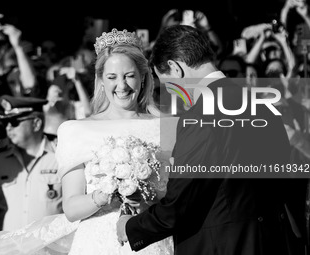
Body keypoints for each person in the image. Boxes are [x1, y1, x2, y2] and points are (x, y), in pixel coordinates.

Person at [116, 25, 302, 255]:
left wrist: (131, 227)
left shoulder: (200, 116)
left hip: (223, 246)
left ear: (175, 68)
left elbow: (181, 204)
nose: (172, 93)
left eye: (167, 84)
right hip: (274, 241)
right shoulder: (264, 106)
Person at [54, 28, 177, 255]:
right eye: (112, 77)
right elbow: (70, 209)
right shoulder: (76, 130)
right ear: (100, 80)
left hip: (152, 240)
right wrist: (106, 193)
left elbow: (179, 198)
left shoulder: (169, 127)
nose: (122, 86)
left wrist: (145, 192)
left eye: (129, 75)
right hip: (97, 245)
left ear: (143, 76)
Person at [0, 95, 63, 234]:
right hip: (7, 249)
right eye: (6, 122)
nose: (8, 127)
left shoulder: (61, 156)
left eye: (14, 121)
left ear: (36, 124)